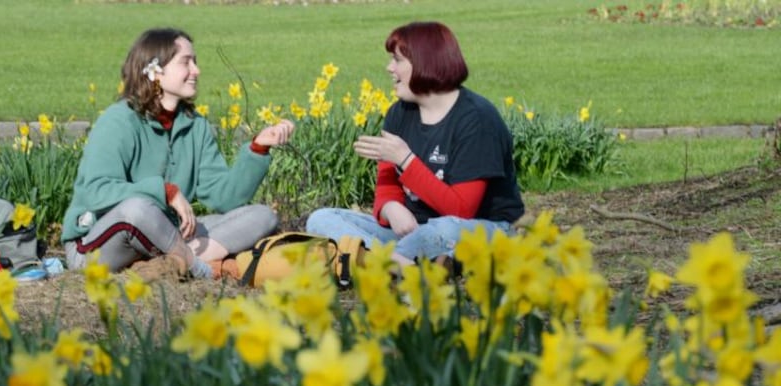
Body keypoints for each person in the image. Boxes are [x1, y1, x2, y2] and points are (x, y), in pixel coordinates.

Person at [61, 28, 295, 279]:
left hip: (165, 236)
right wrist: (165, 191)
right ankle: (199, 267)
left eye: (195, 62)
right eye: (186, 62)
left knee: (261, 216)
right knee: (138, 209)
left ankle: (168, 264)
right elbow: (97, 191)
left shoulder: (195, 125)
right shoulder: (118, 120)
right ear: (154, 71)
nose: (196, 70)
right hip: (96, 245)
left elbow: (224, 198)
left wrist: (258, 148)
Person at [306, 21, 524, 272]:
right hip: (412, 232)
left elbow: (462, 210)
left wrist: (406, 160)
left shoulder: (477, 119)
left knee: (439, 231)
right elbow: (386, 189)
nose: (389, 68)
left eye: (397, 60)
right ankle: (405, 266)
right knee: (322, 219)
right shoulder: (399, 114)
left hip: (477, 227)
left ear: (425, 62)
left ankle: (375, 260)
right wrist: (391, 209)